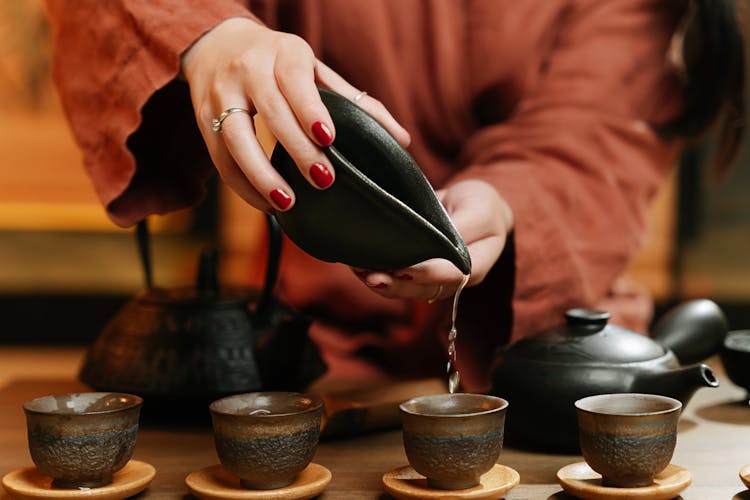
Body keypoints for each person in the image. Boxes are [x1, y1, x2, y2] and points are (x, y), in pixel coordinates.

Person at [44, 0, 745, 392]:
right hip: (319, 367)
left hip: (551, 366)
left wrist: (501, 201)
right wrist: (209, 36)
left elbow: (591, 137)